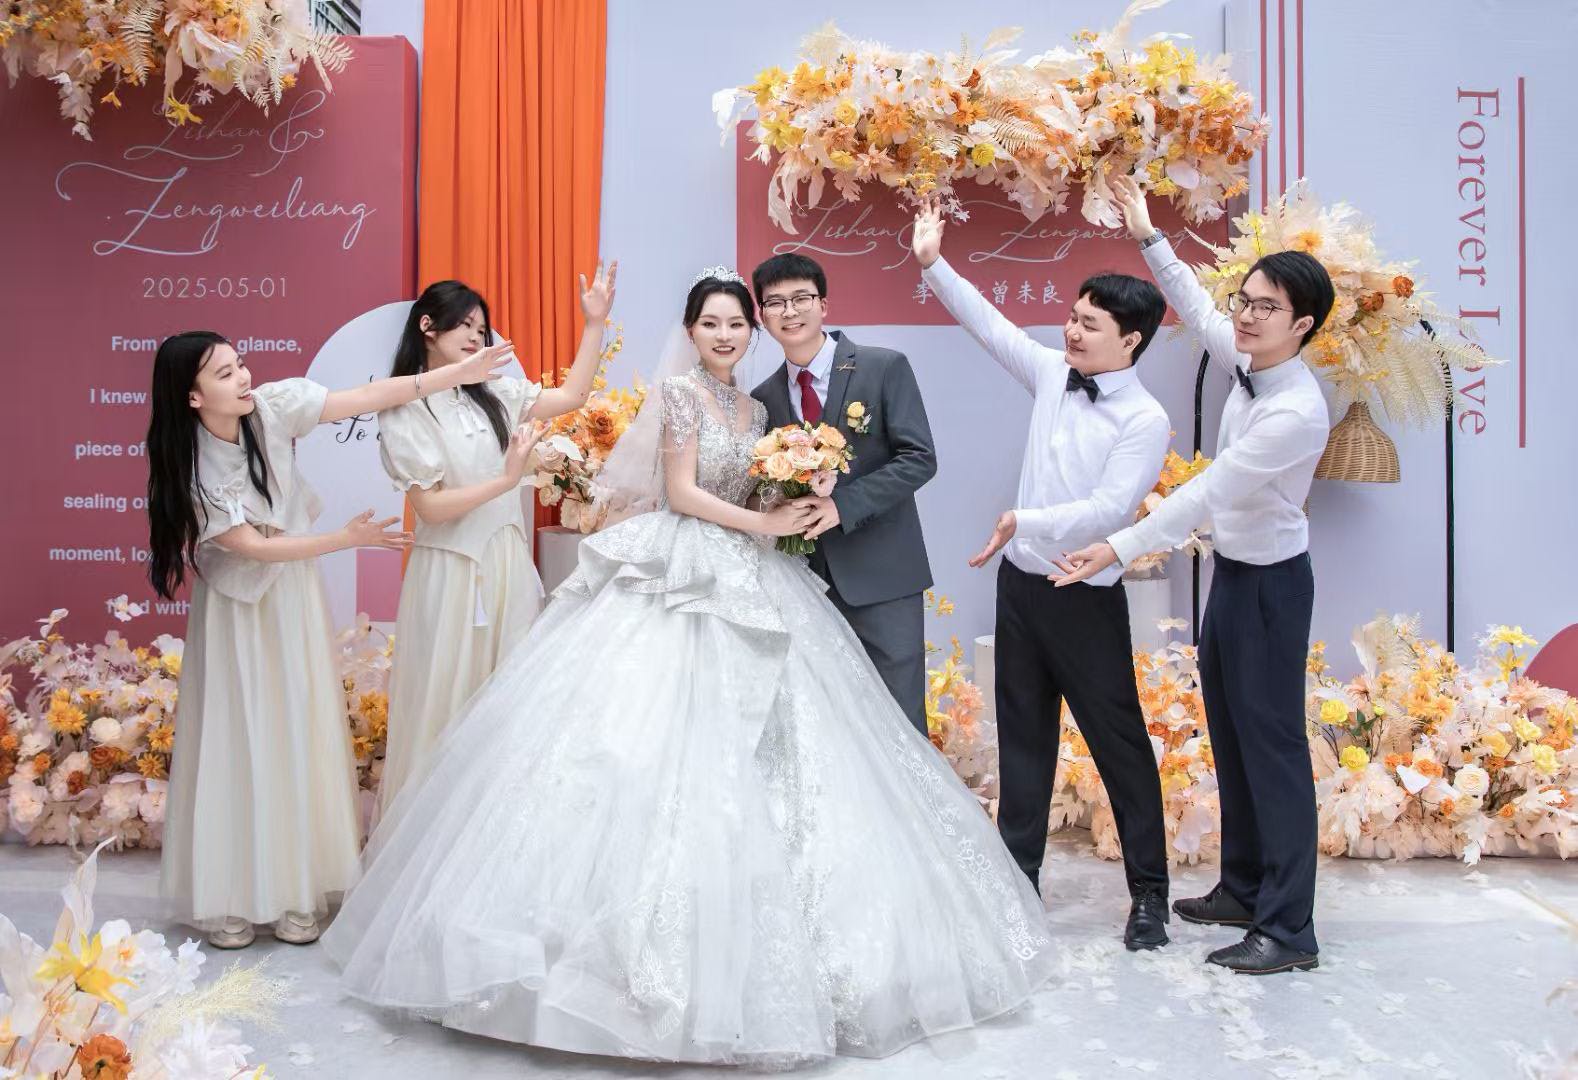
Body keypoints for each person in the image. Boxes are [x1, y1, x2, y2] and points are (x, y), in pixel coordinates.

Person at [321, 269, 1053, 1066]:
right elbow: (680, 492)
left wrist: (797, 498)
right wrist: (762, 525)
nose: (726, 335)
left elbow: (769, 487)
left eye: (737, 323)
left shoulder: (760, 409)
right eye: (711, 323)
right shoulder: (679, 395)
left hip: (756, 570)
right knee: (639, 742)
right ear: (691, 331)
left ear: (753, 330)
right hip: (686, 564)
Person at [145, 329, 512, 948]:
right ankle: (229, 895)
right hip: (234, 613)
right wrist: (346, 540)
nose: (244, 378)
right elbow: (252, 548)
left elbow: (366, 397)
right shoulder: (190, 470)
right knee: (239, 735)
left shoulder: (273, 407)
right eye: (225, 373)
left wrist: (454, 374)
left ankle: (298, 889)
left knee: (298, 726)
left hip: (291, 595)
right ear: (192, 396)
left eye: (241, 364)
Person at [1053, 174, 1334, 975]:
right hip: (1235, 578)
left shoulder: (1295, 410)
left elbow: (1210, 492)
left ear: (1302, 325)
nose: (1246, 315)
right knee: (1233, 739)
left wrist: (1118, 546)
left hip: (1273, 587)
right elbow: (1194, 303)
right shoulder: (1247, 358)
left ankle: (1289, 930)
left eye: (1267, 307)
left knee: (1273, 749)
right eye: (1245, 300)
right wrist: (1148, 234)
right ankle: (1243, 887)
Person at [911, 198, 1174, 950]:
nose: (1071, 331)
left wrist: (1024, 520)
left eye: (1089, 325)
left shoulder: (1145, 420)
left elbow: (1109, 509)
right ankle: (1017, 884)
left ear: (1130, 340)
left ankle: (1149, 896)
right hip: (1021, 589)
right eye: (1072, 317)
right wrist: (933, 264)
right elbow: (991, 326)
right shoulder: (1056, 375)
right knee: (1023, 740)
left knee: (1119, 745)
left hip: (1083, 596)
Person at [376, 265, 614, 809]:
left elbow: (573, 395)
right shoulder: (404, 407)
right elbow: (430, 509)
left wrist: (594, 323)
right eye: (464, 325)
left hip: (507, 563)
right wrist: (505, 480)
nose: (475, 336)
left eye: (481, 329)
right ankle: (432, 829)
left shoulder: (495, 393)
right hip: (452, 570)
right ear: (427, 327)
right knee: (447, 701)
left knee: (511, 698)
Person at [749, 253, 937, 735]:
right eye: (775, 302)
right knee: (834, 727)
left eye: (801, 298)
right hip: (808, 582)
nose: (790, 311)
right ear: (762, 316)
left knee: (901, 720)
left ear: (824, 305)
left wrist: (841, 505)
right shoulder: (763, 399)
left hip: (883, 576)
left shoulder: (883, 367)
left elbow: (919, 458)